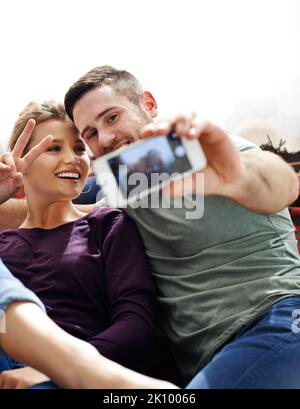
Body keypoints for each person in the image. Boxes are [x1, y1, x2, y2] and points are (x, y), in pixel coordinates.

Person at [61, 65, 300, 388]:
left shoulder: (199, 150)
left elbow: (281, 183)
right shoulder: (125, 181)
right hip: (209, 360)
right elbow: (56, 209)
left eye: (112, 117)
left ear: (148, 104)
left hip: (280, 319)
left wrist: (241, 177)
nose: (104, 138)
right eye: (90, 133)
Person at [0, 101, 159, 388]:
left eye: (79, 148)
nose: (73, 158)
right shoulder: (2, 246)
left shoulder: (107, 224)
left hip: (77, 370)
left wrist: (55, 366)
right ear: (21, 161)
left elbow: (137, 323)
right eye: (53, 148)